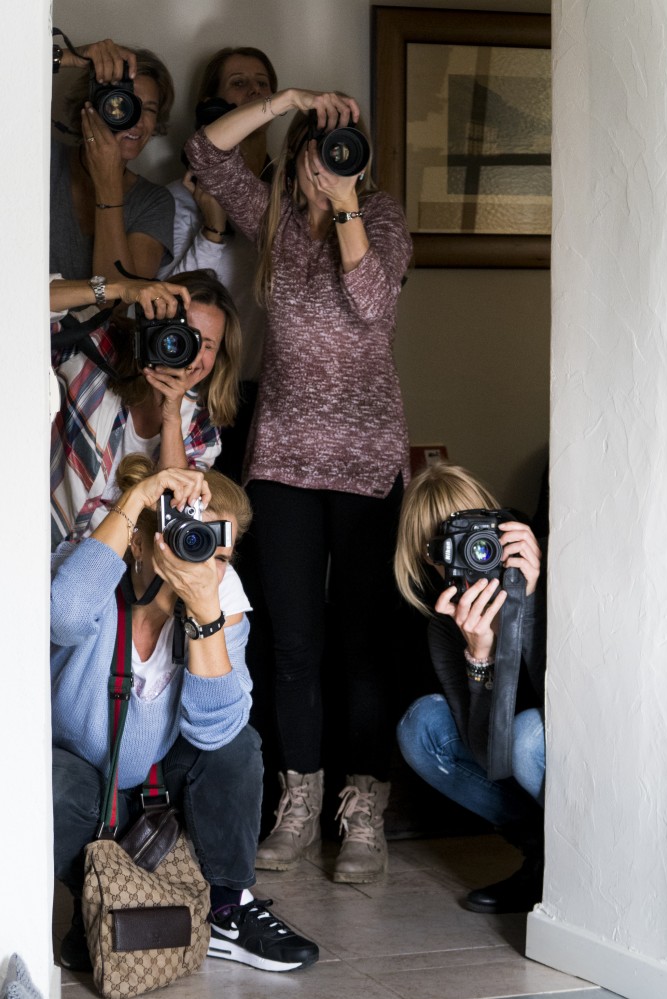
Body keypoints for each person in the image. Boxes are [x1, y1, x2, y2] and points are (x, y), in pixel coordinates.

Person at [184, 88, 413, 883]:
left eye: (348, 144)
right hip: (281, 461)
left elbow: (373, 304)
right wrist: (283, 100)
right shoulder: (274, 220)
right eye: (322, 143)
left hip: (365, 463)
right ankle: (299, 801)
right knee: (291, 643)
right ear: (298, 153)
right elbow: (205, 151)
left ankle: (363, 811)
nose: (334, 156)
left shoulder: (382, 218)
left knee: (363, 644)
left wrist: (345, 202)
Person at [52, 456, 319, 973]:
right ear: (139, 541)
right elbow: (62, 618)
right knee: (53, 782)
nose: (203, 563)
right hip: (83, 782)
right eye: (189, 539)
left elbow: (218, 732)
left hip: (162, 784)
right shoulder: (94, 570)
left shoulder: (220, 597)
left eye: (219, 552)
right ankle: (92, 907)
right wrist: (137, 498)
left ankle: (227, 909)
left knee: (238, 745)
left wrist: (204, 617)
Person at [393, 462, 546, 914]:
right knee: (421, 725)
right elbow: (486, 756)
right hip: (512, 763)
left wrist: (528, 603)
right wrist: (481, 656)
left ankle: (573, 851)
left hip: (556, 753)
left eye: (482, 537)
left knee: (527, 736)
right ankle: (541, 856)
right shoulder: (447, 626)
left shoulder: (552, 573)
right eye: (452, 547)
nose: (475, 555)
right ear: (428, 558)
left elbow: (573, 707)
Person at [50, 269, 241, 550]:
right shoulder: (100, 345)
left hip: (113, 562)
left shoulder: (202, 423)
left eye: (208, 345)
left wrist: (171, 415)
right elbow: (24, 303)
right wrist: (120, 288)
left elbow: (174, 514)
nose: (192, 354)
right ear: (154, 324)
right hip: (34, 530)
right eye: (185, 336)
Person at [161, 46, 278, 481]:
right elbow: (169, 303)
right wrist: (213, 228)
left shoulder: (292, 199)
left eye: (263, 85)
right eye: (239, 83)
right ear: (211, 105)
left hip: (269, 393)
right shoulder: (176, 199)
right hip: (197, 385)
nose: (254, 92)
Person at [51, 36, 174, 280]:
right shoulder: (45, 158)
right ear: (90, 105)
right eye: (125, 104)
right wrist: (65, 57)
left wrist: (108, 185)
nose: (136, 120)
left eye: (149, 109)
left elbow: (121, 297)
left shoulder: (152, 201)